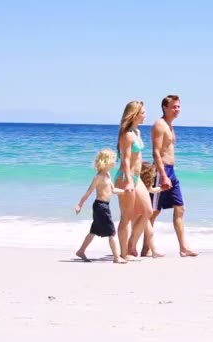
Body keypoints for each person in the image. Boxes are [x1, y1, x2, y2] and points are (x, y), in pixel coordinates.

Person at [142, 95, 198, 257]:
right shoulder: (159, 125)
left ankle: (183, 247)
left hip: (171, 171)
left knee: (180, 208)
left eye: (178, 106)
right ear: (165, 108)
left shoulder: (170, 125)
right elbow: (156, 153)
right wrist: (163, 176)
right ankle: (145, 248)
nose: (177, 110)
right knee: (153, 211)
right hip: (162, 172)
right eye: (173, 107)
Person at [114, 100, 164, 259]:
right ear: (134, 114)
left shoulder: (137, 132)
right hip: (125, 178)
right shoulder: (127, 135)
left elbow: (138, 158)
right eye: (142, 113)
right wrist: (129, 181)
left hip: (136, 178)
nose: (145, 115)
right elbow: (125, 161)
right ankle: (123, 254)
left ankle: (131, 245)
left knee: (148, 211)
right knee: (126, 217)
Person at [75, 148, 127, 264]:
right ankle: (117, 257)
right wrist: (80, 205)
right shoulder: (98, 177)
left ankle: (81, 250)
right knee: (112, 232)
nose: (115, 162)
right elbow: (89, 191)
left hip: (104, 206)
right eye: (113, 160)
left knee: (94, 231)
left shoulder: (108, 175)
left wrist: (125, 191)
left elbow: (113, 190)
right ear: (106, 161)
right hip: (100, 207)